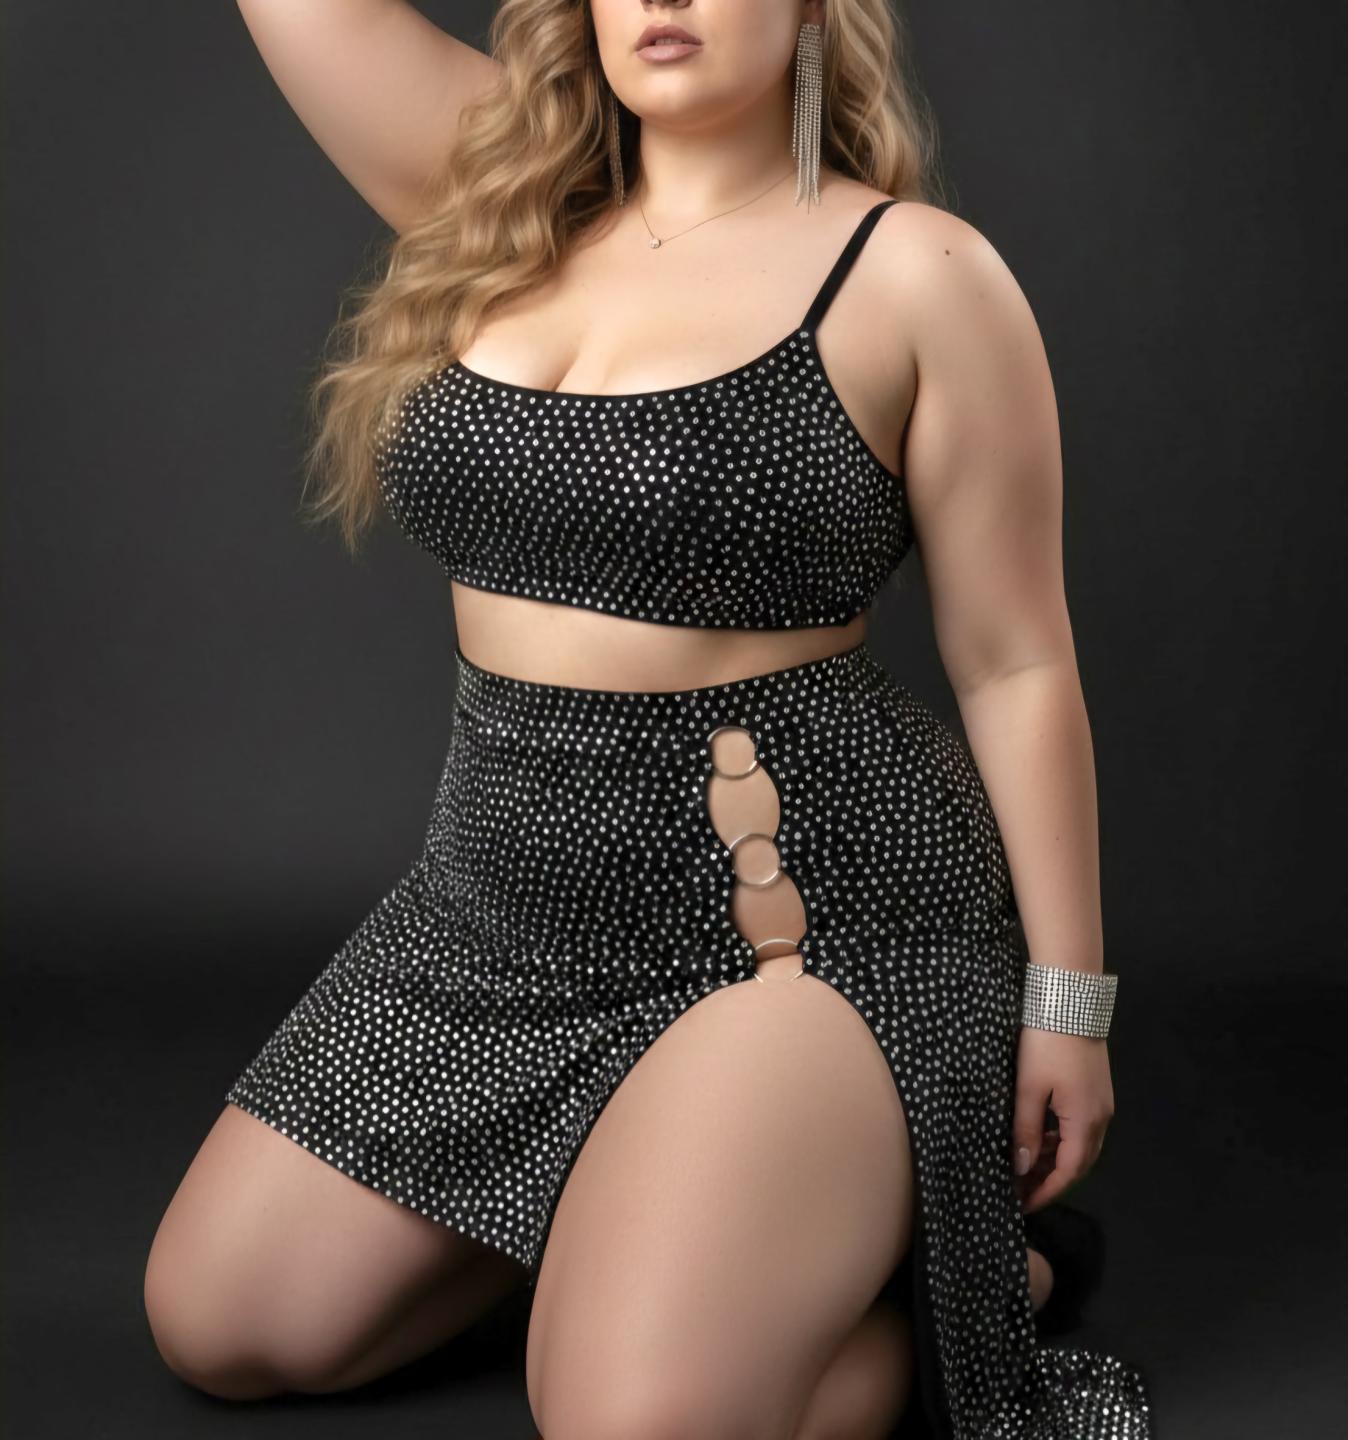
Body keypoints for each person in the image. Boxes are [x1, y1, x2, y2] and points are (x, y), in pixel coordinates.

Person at [143, 3, 1155, 1436]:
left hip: (803, 935)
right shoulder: (502, 193)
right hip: (496, 921)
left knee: (629, 1425)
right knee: (225, 1323)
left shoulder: (916, 271)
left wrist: (1069, 1001)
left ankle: (951, 1293)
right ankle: (686, 1235)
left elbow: (1016, 665)